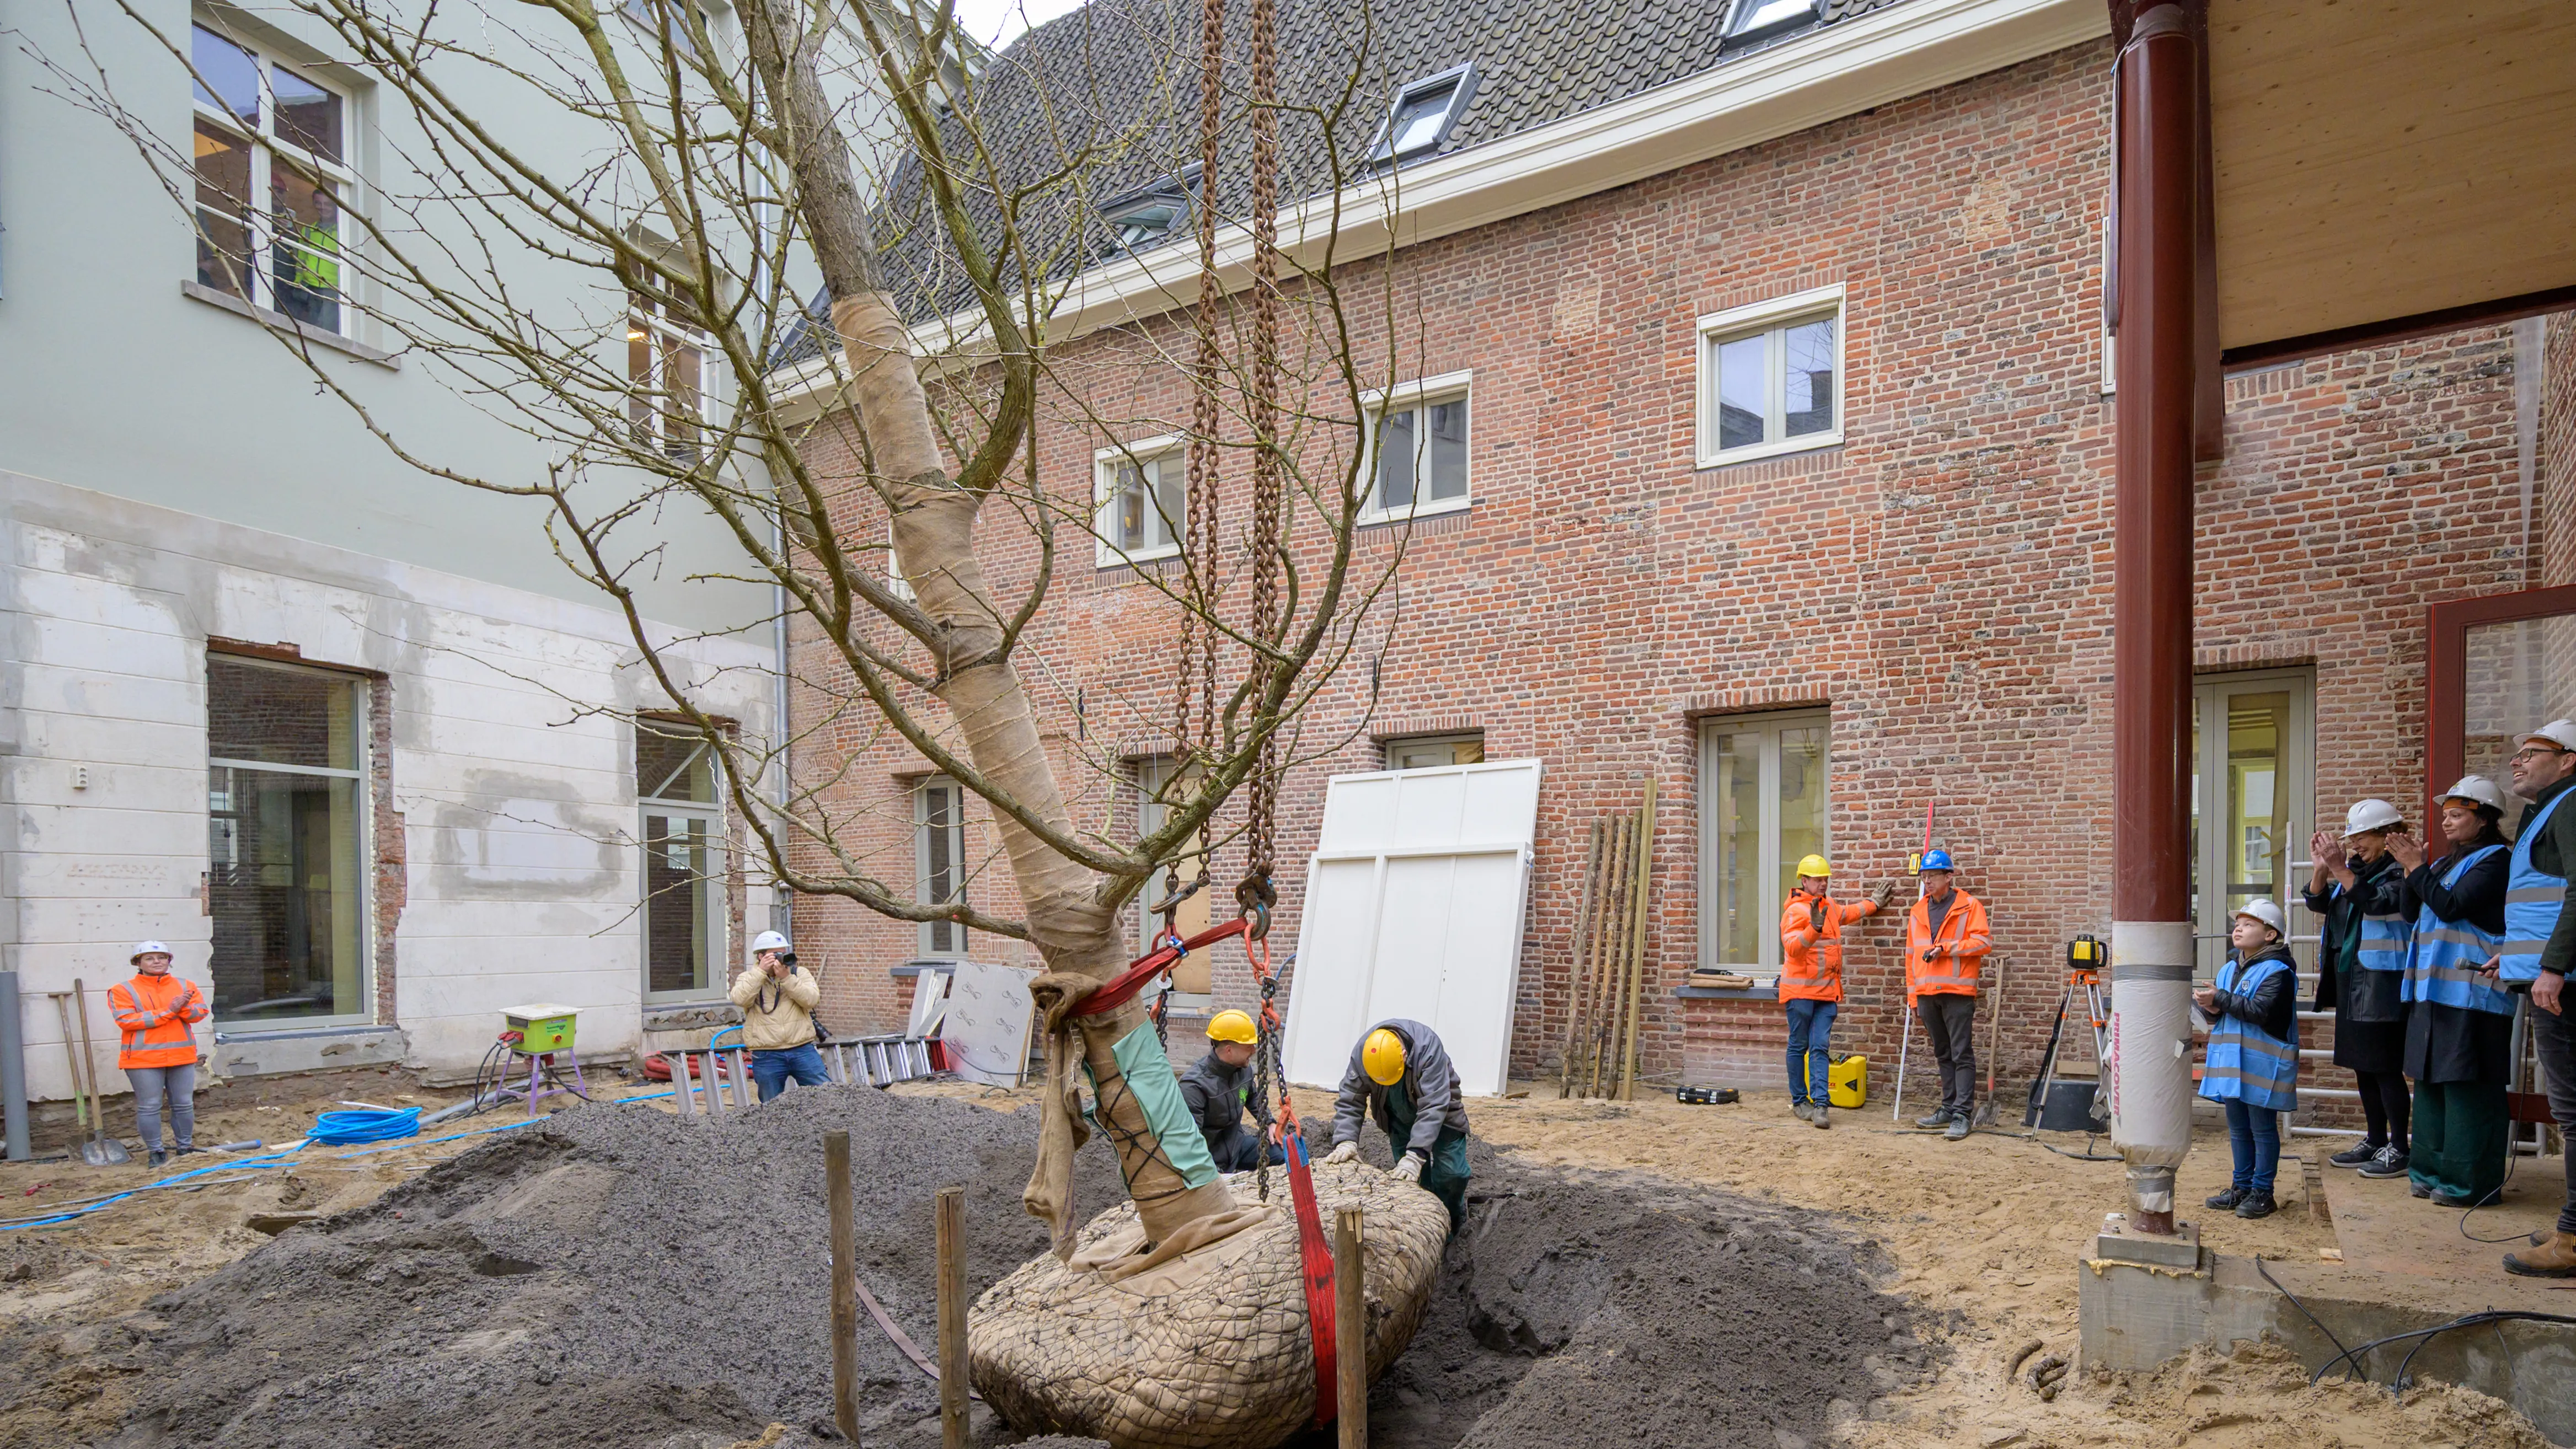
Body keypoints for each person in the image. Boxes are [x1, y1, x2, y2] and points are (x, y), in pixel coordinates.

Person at [2387, 776, 2515, 1208]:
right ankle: (2429, 1173)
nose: (2447, 822)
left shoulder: (2497, 861)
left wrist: (2416, 868)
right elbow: (2410, 911)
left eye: (2457, 815)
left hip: (2473, 992)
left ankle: (2469, 1182)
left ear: (2483, 820)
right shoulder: (2443, 863)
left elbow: (2451, 906)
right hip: (2434, 992)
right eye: (2444, 816)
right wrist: (2414, 869)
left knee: (2467, 1087)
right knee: (2429, 1083)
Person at [2494, 720, 2576, 1277]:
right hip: (2554, 976)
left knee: (2572, 1117)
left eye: (2532, 753)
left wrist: (2552, 966)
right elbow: (2541, 903)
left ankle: (2571, 1241)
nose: (2518, 761)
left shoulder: (2569, 805)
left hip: (2564, 985)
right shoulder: (2548, 811)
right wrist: (2520, 957)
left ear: (2567, 760)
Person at [2305, 798, 2414, 1178]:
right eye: (2351, 838)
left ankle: (2399, 1146)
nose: (2354, 845)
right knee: (2363, 1068)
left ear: (2388, 836)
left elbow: (2375, 904)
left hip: (2382, 983)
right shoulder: (2353, 871)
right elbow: (2321, 904)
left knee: (2384, 1068)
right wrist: (2322, 871)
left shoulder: (2401, 872)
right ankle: (2374, 1139)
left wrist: (2337, 868)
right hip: (2352, 981)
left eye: (2362, 836)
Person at [1779, 855, 1904, 1130]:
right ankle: (1801, 1102)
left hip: (1826, 994)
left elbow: (1849, 913)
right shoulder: (1794, 912)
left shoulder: (1830, 906)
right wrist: (1814, 928)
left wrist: (1874, 903)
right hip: (1800, 995)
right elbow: (1793, 948)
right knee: (1799, 1047)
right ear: (1804, 881)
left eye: (1826, 879)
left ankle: (1821, 1106)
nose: (1823, 883)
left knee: (1821, 1047)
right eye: (1818, 879)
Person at [2197, 901, 2301, 1220]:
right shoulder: (2228, 969)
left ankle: (2263, 1192)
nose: (2238, 929)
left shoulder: (2279, 972)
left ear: (2271, 935)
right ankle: (2241, 1187)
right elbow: (2223, 1017)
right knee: (2239, 1129)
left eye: (2249, 924)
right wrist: (2211, 1009)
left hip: (2262, 1067)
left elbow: (2262, 1013)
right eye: (2238, 924)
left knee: (2262, 1129)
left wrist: (2221, 1000)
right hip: (2233, 1065)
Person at [1322, 1019, 1471, 1232]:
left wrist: (1416, 1155)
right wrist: (1346, 1141)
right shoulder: (1364, 1055)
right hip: (1397, 1112)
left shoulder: (1428, 1050)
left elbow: (1433, 1106)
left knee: (1452, 1174)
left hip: (1443, 1111)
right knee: (1411, 1181)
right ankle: (1422, 1229)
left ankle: (1453, 1220)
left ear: (1403, 1055)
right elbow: (1350, 1099)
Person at [1905, 849, 1992, 1141]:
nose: (1927, 882)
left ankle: (1962, 1114)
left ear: (1949, 876)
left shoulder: (1969, 906)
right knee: (1942, 1053)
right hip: (1927, 993)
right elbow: (1910, 957)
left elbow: (1982, 943)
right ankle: (1948, 1107)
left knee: (1961, 1053)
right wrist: (1913, 996)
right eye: (1924, 877)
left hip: (1957, 991)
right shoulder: (1918, 911)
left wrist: (1946, 948)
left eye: (1933, 876)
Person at [106, 941, 208, 1168]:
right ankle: (156, 1152)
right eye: (150, 958)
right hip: (144, 1059)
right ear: (138, 963)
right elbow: (127, 1021)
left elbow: (200, 1012)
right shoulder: (122, 990)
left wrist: (181, 1008)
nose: (157, 962)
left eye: (162, 957)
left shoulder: (185, 985)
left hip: (181, 1056)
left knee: (183, 1104)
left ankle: (185, 1148)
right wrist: (169, 1011)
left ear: (169, 960)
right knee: (149, 1106)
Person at [727, 930, 829, 1102]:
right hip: (767, 1053)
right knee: (770, 1106)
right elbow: (740, 999)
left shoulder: (798, 974)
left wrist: (787, 979)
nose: (782, 958)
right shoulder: (748, 977)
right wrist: (761, 973)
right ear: (761, 957)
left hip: (802, 1048)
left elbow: (812, 1000)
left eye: (784, 953)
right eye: (776, 954)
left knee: (827, 1097)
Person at [1179, 1010, 1283, 1172]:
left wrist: (1269, 1122)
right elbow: (1190, 1141)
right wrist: (1208, 1169)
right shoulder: (1194, 1086)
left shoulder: (1243, 1070)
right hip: (1209, 1155)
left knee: (1282, 1154)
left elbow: (1252, 1098)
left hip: (1236, 1145)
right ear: (1229, 1050)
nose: (1254, 1050)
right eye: (1249, 1046)